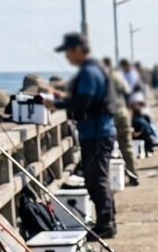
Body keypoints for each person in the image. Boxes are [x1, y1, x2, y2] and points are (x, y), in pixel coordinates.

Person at [51, 32, 119, 238]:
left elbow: (83, 103)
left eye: (68, 52)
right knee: (98, 177)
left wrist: (56, 104)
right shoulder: (95, 69)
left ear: (77, 50)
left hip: (97, 133)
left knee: (96, 178)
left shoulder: (89, 72)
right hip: (98, 132)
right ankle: (108, 221)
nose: (67, 58)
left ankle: (105, 225)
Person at [103, 57, 139, 186]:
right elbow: (128, 90)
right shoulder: (117, 75)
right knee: (127, 146)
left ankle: (107, 179)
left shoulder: (100, 77)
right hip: (122, 113)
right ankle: (133, 175)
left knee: (106, 148)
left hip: (108, 116)